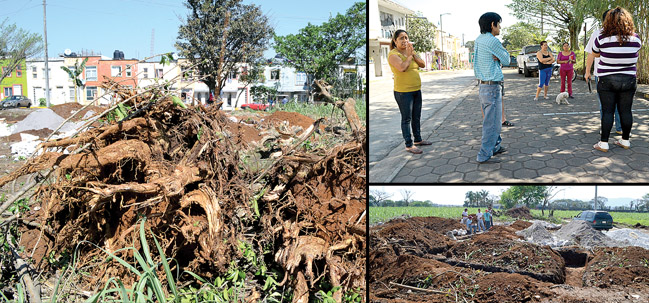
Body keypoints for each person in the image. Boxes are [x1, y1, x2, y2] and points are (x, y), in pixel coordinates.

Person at [586, 7, 642, 152]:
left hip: (607, 80)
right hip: (629, 80)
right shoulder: (636, 39)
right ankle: (625, 141)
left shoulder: (601, 38)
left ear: (608, 21)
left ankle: (604, 143)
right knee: (626, 111)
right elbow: (634, 54)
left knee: (607, 111)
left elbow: (595, 54)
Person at [473, 12, 510, 163]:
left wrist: (497, 57)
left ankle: (495, 146)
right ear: (492, 25)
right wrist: (500, 56)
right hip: (492, 88)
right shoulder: (492, 41)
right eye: (498, 23)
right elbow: (507, 60)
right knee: (492, 123)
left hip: (483, 86)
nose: (500, 27)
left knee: (490, 120)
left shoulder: (478, 40)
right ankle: (484, 155)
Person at [387, 29, 430, 154]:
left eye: (406, 37)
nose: (405, 40)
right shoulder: (393, 55)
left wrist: (413, 54)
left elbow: (422, 64)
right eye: (401, 38)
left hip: (416, 89)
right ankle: (409, 145)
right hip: (403, 92)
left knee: (416, 116)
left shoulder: (411, 52)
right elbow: (402, 68)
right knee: (406, 118)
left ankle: (418, 139)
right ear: (395, 41)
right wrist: (410, 56)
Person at [586, 9, 623, 137]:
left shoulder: (619, 33)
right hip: (609, 74)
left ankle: (614, 128)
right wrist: (587, 71)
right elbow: (591, 55)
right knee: (612, 104)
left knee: (607, 104)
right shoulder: (599, 33)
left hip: (606, 74)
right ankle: (614, 128)